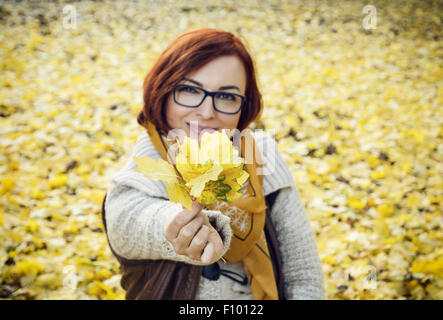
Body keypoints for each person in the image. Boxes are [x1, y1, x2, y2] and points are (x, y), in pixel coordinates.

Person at [102, 28, 325, 300]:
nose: (207, 112)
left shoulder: (263, 157)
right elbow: (135, 221)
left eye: (227, 96)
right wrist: (183, 227)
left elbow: (303, 278)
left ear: (244, 105)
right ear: (162, 91)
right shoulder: (140, 176)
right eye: (188, 90)